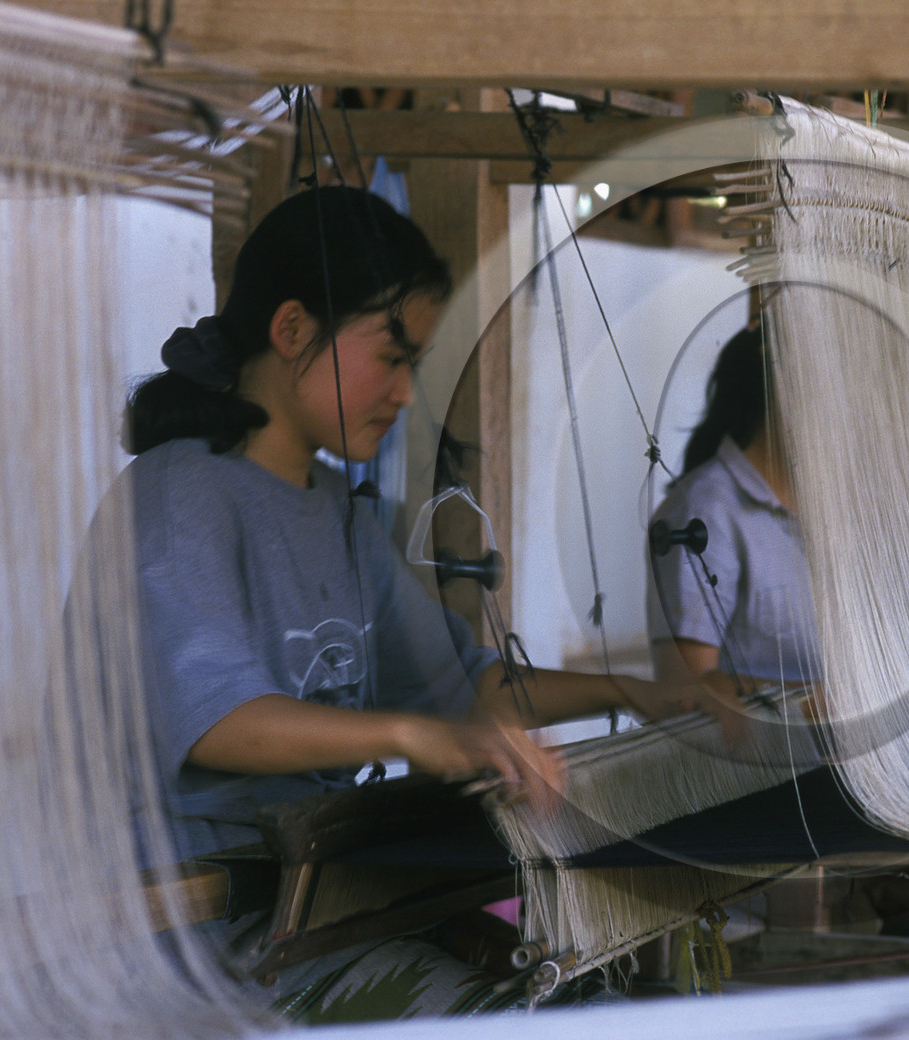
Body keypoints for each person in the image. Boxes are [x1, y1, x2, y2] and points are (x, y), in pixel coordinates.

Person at [109, 186, 732, 1018]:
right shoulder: (176, 496)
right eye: (391, 357)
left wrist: (636, 692)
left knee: (594, 1011)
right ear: (291, 329)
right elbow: (220, 722)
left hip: (303, 910)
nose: (405, 393)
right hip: (191, 933)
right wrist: (413, 735)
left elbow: (462, 685)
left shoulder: (339, 512)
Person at [647, 326, 818, 686]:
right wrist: (826, 704)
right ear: (785, 391)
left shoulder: (834, 507)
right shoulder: (703, 511)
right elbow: (688, 692)